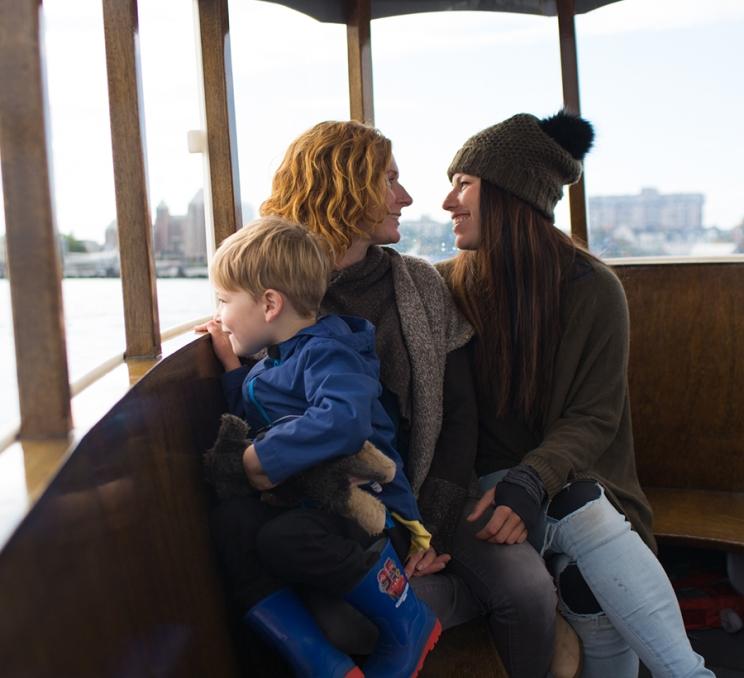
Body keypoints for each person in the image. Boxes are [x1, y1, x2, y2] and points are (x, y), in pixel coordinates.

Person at [261, 120, 566, 678]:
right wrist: (391, 534)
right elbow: (272, 420)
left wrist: (428, 522)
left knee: (527, 589)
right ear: (344, 186)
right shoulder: (276, 298)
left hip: (436, 492)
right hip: (345, 515)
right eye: (390, 181)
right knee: (343, 626)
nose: (405, 198)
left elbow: (460, 416)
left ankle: (447, 594)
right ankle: (429, 603)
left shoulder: (422, 285)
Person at [439, 110, 714, 677]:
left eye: (464, 183)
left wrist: (531, 478)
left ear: (513, 193)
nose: (447, 201)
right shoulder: (444, 288)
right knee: (579, 516)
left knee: (585, 569)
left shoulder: (592, 289)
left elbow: (593, 417)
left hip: (578, 481)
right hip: (483, 491)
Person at [199, 216, 441, 678]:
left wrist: (263, 459)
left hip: (369, 513)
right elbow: (258, 419)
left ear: (269, 303)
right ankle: (317, 661)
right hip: (314, 502)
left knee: (282, 538)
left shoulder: (329, 352)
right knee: (231, 522)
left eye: (225, 301)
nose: (222, 314)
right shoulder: (272, 363)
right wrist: (231, 365)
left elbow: (343, 420)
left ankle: (407, 620)